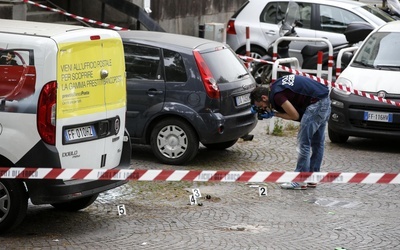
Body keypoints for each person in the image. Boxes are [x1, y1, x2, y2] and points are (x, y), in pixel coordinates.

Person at [250, 74, 331, 190]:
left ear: (264, 98)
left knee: (304, 143)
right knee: (318, 143)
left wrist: (274, 114)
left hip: (316, 105)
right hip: (325, 99)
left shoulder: (277, 95)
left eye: (261, 105)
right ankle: (313, 178)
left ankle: (300, 180)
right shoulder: (276, 87)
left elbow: (294, 115)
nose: (262, 108)